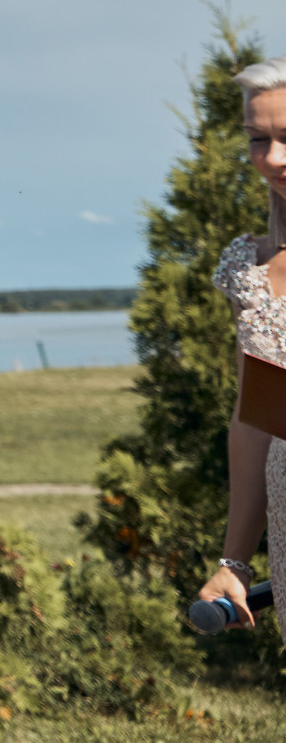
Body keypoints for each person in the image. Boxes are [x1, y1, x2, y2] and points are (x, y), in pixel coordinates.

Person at [198, 58, 286, 636]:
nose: (273, 158)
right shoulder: (248, 267)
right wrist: (235, 563)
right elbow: (257, 420)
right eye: (259, 139)